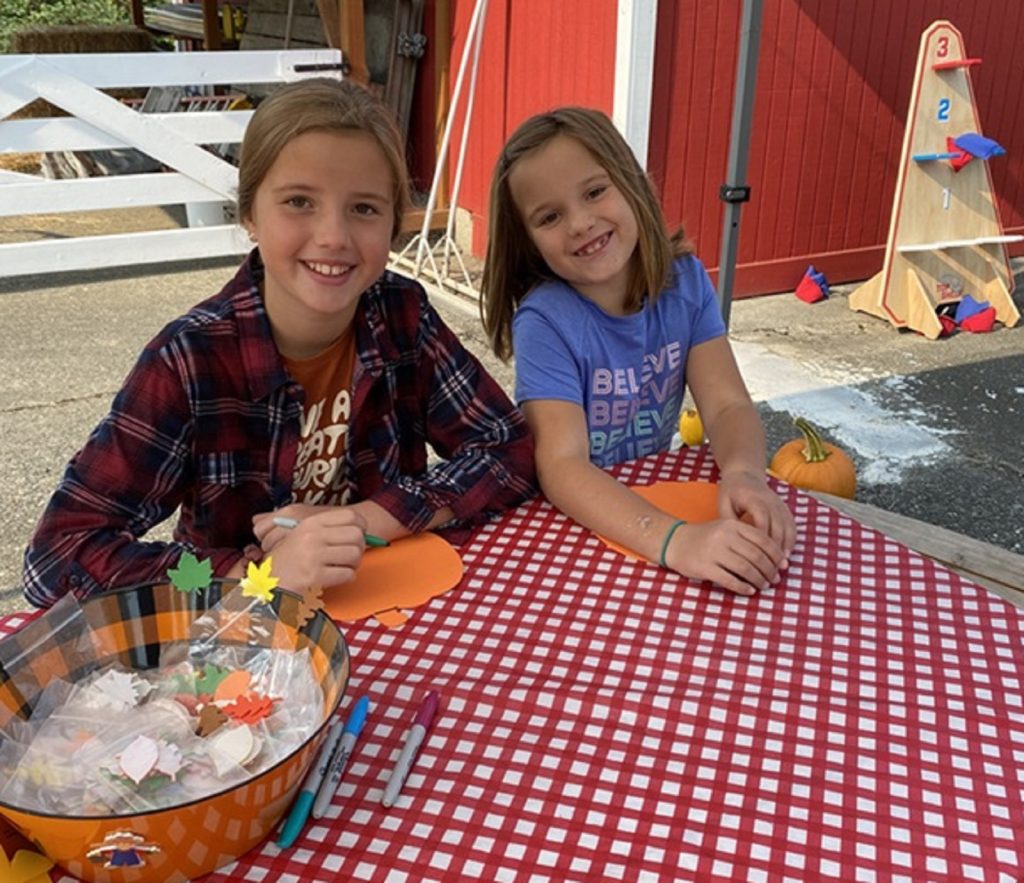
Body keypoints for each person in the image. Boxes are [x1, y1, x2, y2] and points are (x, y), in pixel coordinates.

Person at [21, 78, 536, 609]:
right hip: (233, 640)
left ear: (393, 223)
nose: (334, 235)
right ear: (250, 215)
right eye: (298, 201)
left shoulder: (401, 314)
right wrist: (253, 572)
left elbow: (509, 448)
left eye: (364, 208)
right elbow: (56, 559)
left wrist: (365, 520)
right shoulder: (190, 359)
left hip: (390, 606)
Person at [480, 107, 795, 596]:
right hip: (578, 530)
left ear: (631, 183)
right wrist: (675, 541)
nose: (581, 223)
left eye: (594, 191)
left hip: (657, 511)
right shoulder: (544, 322)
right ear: (528, 242)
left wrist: (744, 473)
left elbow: (728, 403)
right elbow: (562, 465)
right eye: (550, 216)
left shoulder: (685, 283)